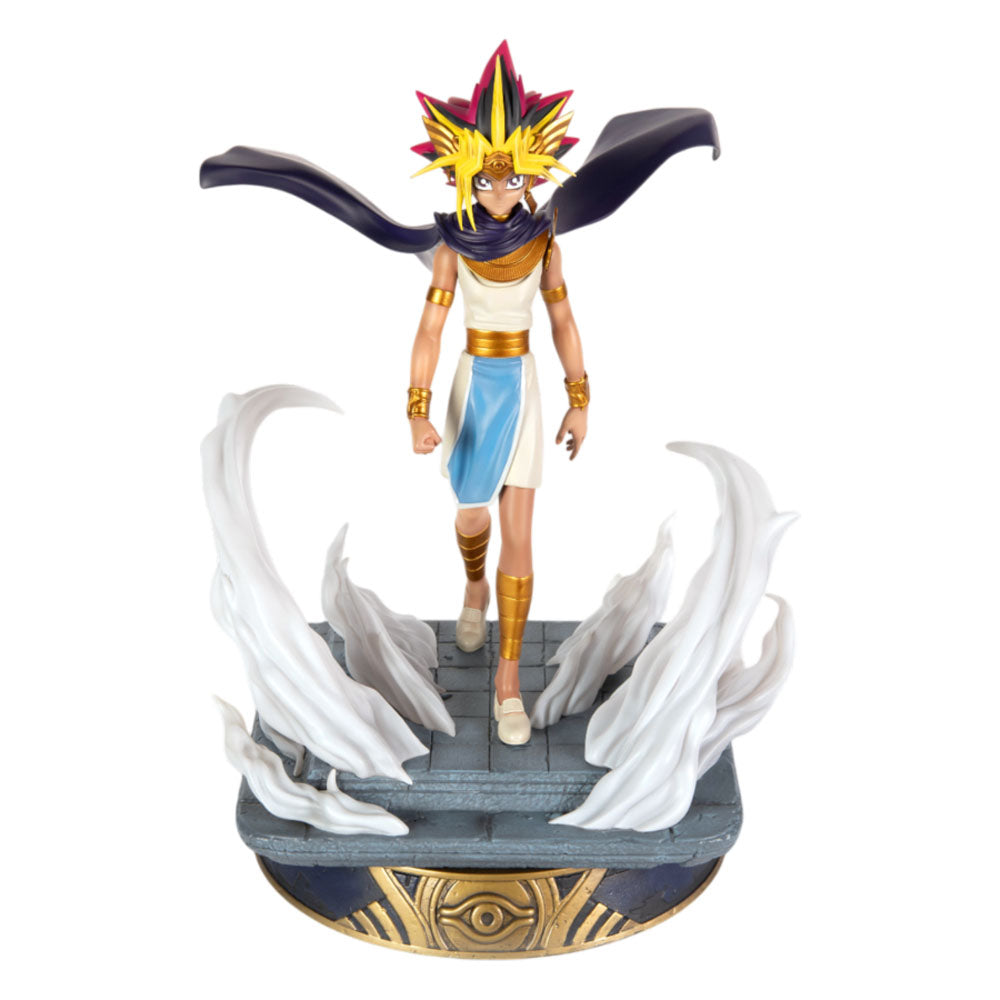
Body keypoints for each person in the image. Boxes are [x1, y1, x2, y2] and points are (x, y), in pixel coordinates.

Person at [406, 47, 588, 743]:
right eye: (484, 179)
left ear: (533, 173)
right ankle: (473, 585)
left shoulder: (544, 244)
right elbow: (430, 329)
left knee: (522, 531)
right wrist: (418, 409)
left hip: (524, 386)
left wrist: (580, 398)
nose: (499, 191)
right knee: (470, 510)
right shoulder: (452, 247)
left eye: (512, 179)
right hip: (473, 385)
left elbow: (563, 320)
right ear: (462, 175)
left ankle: (508, 680)